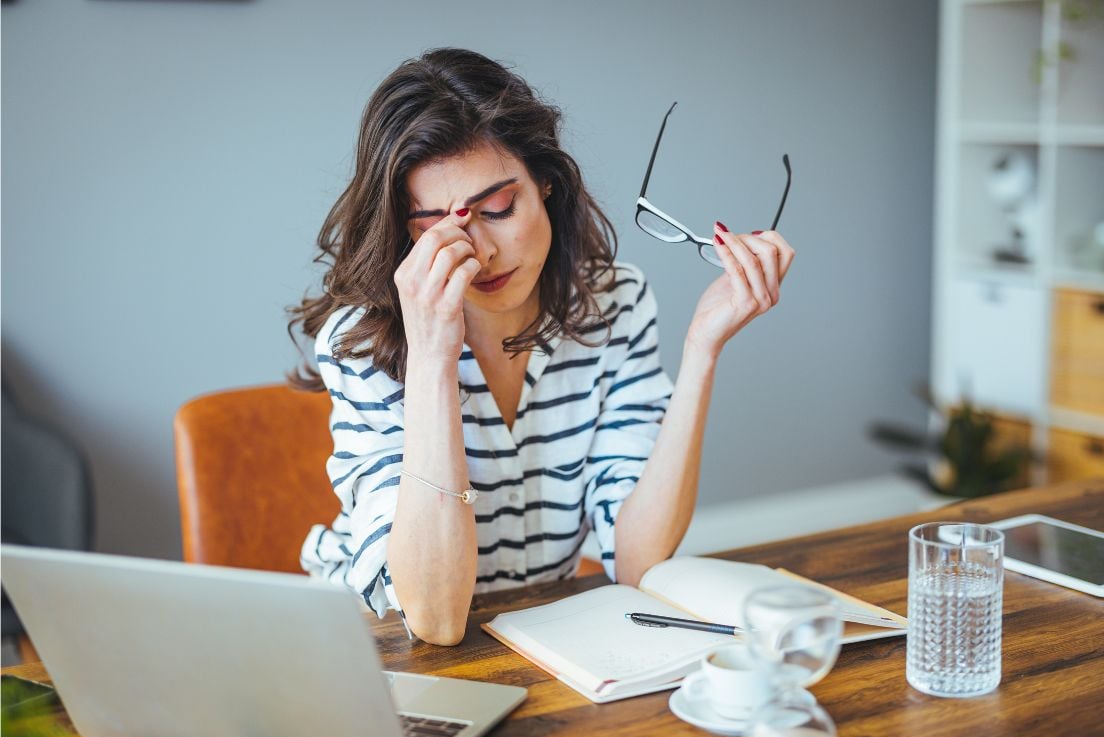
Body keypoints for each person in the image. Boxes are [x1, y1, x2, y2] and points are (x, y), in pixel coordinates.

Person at [289, 48, 794, 646]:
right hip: (375, 647)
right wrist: (430, 360)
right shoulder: (361, 344)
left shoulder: (613, 305)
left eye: (499, 209)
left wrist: (702, 351)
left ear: (546, 181)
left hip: (534, 639)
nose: (482, 252)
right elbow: (435, 618)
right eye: (437, 229)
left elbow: (637, 564)